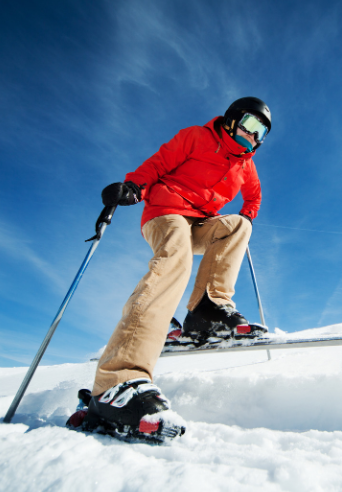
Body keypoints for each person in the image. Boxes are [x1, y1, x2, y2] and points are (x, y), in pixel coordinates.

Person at [71, 97, 272, 442]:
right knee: (175, 256)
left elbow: (254, 197)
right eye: (251, 125)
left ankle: (207, 310)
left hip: (202, 223)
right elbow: (159, 163)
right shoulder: (198, 136)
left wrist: (249, 215)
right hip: (166, 212)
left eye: (262, 133)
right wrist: (134, 185)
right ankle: (115, 383)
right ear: (232, 119)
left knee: (238, 226)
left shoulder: (246, 164)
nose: (254, 137)